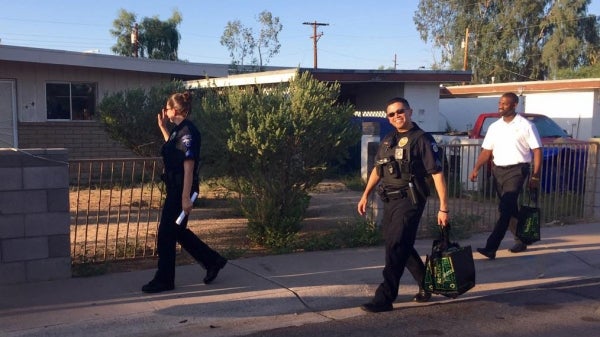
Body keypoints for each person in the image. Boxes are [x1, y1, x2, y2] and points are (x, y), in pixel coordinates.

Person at [357, 97, 449, 313]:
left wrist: (444, 207)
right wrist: (365, 195)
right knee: (400, 244)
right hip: (390, 199)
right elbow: (377, 170)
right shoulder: (389, 140)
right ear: (388, 119)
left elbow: (437, 174)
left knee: (396, 245)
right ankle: (426, 283)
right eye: (391, 114)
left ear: (410, 112)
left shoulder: (423, 140)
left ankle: (385, 297)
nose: (396, 116)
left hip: (410, 200)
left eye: (400, 111)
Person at [142, 91, 227, 293]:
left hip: (183, 189)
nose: (165, 111)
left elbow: (188, 166)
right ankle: (213, 261)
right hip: (176, 188)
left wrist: (185, 198)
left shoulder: (187, 132)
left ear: (176, 110)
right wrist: (163, 128)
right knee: (176, 231)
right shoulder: (177, 131)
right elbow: (172, 149)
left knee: (165, 234)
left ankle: (164, 280)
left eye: (167, 108)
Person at [469, 92, 542, 259]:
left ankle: (491, 247)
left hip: (517, 170)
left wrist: (535, 176)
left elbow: (537, 150)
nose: (500, 106)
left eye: (505, 103)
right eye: (499, 103)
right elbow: (487, 151)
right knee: (509, 208)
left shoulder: (526, 126)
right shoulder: (495, 127)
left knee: (505, 209)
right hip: (498, 171)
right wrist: (476, 168)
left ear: (514, 105)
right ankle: (521, 239)